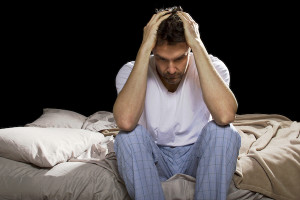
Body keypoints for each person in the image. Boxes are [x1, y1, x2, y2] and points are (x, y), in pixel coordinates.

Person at [113, 6, 241, 200]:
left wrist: (197, 44)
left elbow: (225, 115)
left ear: (189, 48)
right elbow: (125, 121)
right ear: (153, 50)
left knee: (224, 131)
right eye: (162, 59)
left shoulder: (213, 67)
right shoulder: (130, 71)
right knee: (127, 137)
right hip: (154, 158)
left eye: (179, 58)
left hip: (198, 157)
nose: (171, 69)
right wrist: (144, 48)